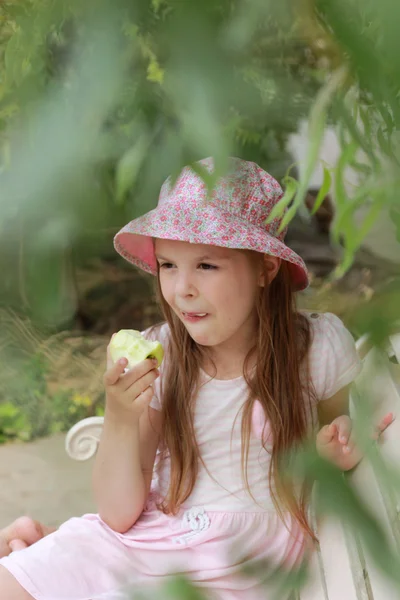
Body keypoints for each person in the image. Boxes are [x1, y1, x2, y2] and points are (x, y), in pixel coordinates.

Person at [0, 157, 393, 600]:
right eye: (168, 265)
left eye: (206, 265)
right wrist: (121, 416)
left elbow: (330, 442)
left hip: (233, 562)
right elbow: (117, 515)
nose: (182, 288)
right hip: (145, 539)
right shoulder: (163, 356)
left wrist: (334, 451)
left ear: (265, 268)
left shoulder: (314, 350)